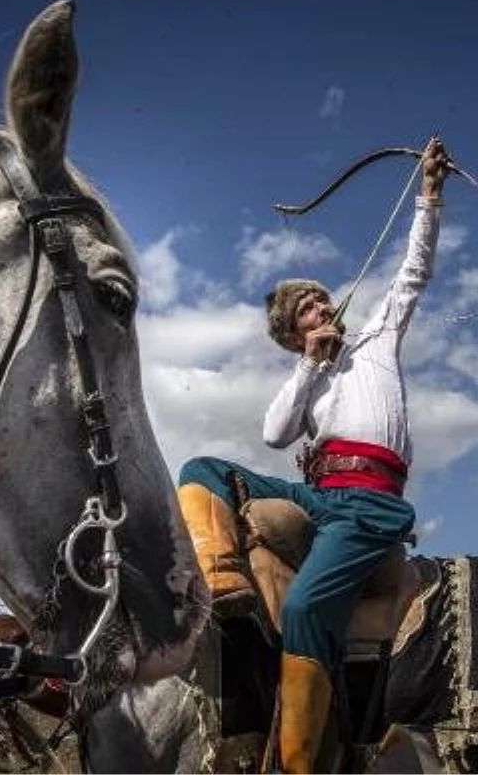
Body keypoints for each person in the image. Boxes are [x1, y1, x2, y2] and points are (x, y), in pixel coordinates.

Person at [176, 138, 450, 775]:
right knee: (203, 470)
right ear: (295, 333)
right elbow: (274, 433)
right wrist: (309, 365)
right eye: (307, 309)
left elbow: (414, 271)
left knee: (302, 609)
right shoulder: (308, 373)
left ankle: (304, 763)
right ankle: (224, 584)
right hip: (322, 498)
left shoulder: (378, 338)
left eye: (321, 300)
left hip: (370, 503)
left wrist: (429, 195)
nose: (322, 307)